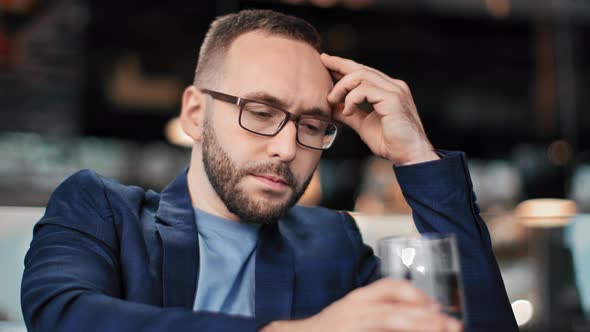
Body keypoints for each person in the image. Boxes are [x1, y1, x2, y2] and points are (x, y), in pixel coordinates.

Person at [21, 9, 518, 332]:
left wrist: (419, 159)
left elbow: (477, 326)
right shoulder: (102, 209)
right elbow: (65, 317)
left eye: (312, 124)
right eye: (260, 112)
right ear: (195, 113)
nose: (286, 147)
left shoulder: (333, 243)